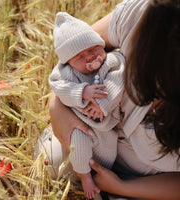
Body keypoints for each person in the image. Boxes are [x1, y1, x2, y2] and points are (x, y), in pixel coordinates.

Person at [45, 0, 180, 199]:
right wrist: (56, 105)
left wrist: (119, 186)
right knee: (52, 160)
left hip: (148, 182)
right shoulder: (145, 11)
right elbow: (73, 48)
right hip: (92, 140)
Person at [48, 12, 125, 199]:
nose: (89, 57)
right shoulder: (66, 72)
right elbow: (58, 86)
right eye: (80, 57)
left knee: (107, 158)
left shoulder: (111, 61)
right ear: (69, 62)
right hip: (80, 123)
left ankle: (104, 180)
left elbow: (117, 80)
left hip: (106, 125)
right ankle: (85, 177)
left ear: (101, 43)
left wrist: (103, 102)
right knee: (79, 144)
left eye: (93, 49)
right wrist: (81, 92)